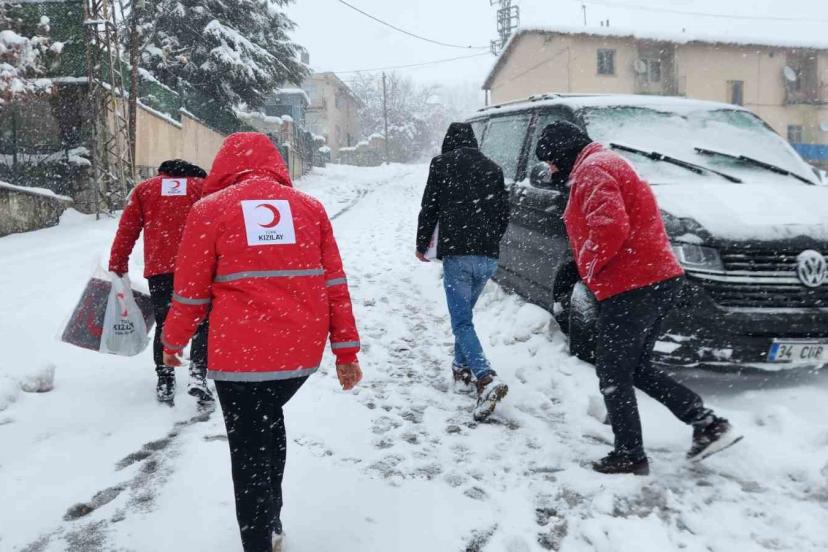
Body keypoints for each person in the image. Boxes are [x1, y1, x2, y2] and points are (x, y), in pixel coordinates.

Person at [161, 132, 363, 552]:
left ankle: (259, 539)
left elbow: (191, 293)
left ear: (223, 166)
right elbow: (335, 284)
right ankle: (272, 520)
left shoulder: (210, 210)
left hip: (240, 356)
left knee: (248, 447)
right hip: (297, 354)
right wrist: (345, 351)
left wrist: (173, 340)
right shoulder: (310, 208)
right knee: (267, 420)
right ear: (276, 163)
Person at [535, 121, 741, 475]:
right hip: (655, 277)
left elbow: (610, 226)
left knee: (612, 370)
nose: (551, 169)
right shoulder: (605, 163)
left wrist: (590, 266)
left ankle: (630, 453)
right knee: (636, 367)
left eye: (552, 161)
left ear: (565, 153)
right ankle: (707, 424)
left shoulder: (592, 170)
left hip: (633, 284)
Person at [416, 122, 511, 422]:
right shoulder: (493, 168)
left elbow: (429, 206)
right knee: (465, 317)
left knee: (460, 321)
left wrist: (421, 244)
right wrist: (489, 241)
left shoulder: (442, 164)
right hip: (487, 257)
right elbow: (504, 214)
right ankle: (461, 371)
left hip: (458, 256)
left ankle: (485, 376)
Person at [108, 159, 212, 405]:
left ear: (163, 172)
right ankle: (198, 373)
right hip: (197, 268)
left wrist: (118, 262)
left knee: (165, 322)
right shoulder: (203, 188)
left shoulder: (145, 189)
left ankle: (165, 378)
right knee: (203, 321)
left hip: (160, 269)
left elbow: (127, 229)